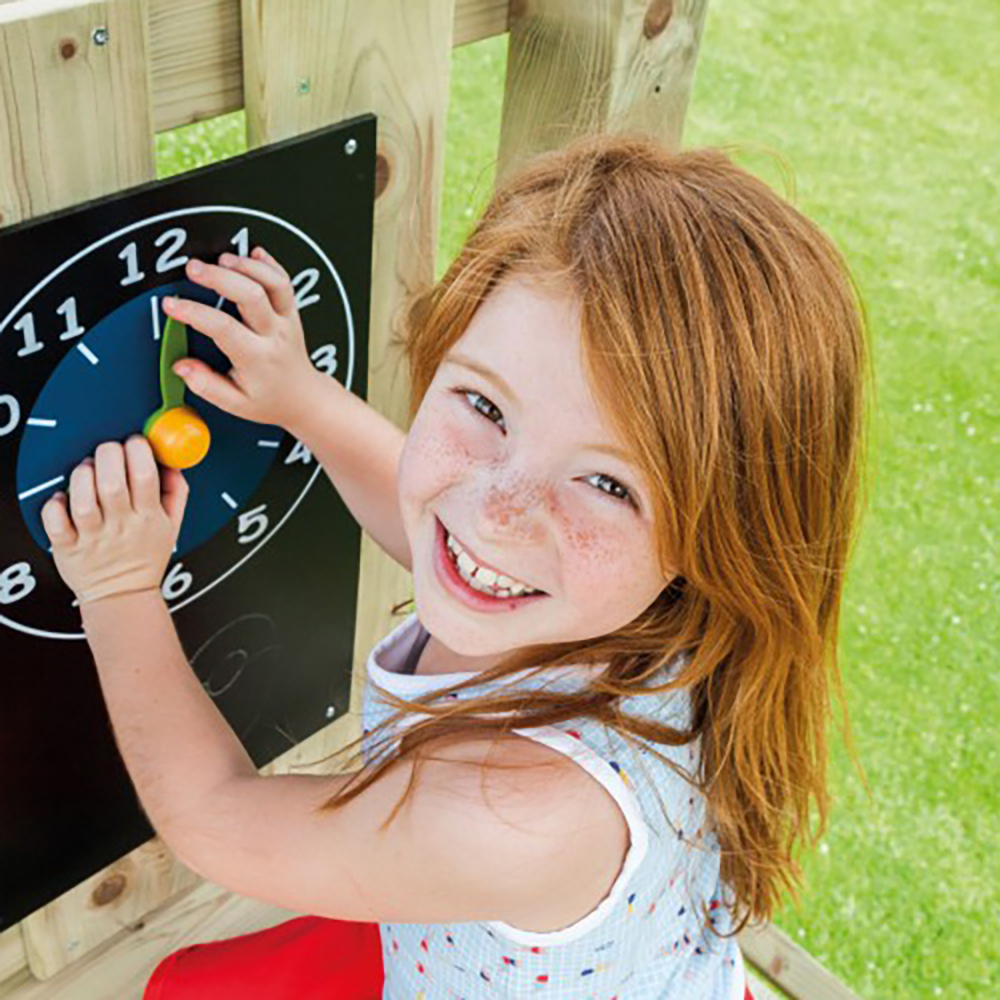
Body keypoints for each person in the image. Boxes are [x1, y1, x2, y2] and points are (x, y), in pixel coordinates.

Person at [42, 132, 870, 999]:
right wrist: (303, 398)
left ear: (722, 538)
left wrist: (118, 587)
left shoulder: (518, 812)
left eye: (606, 482)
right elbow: (435, 520)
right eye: (482, 403)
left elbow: (218, 819)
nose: (495, 511)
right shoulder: (644, 608)